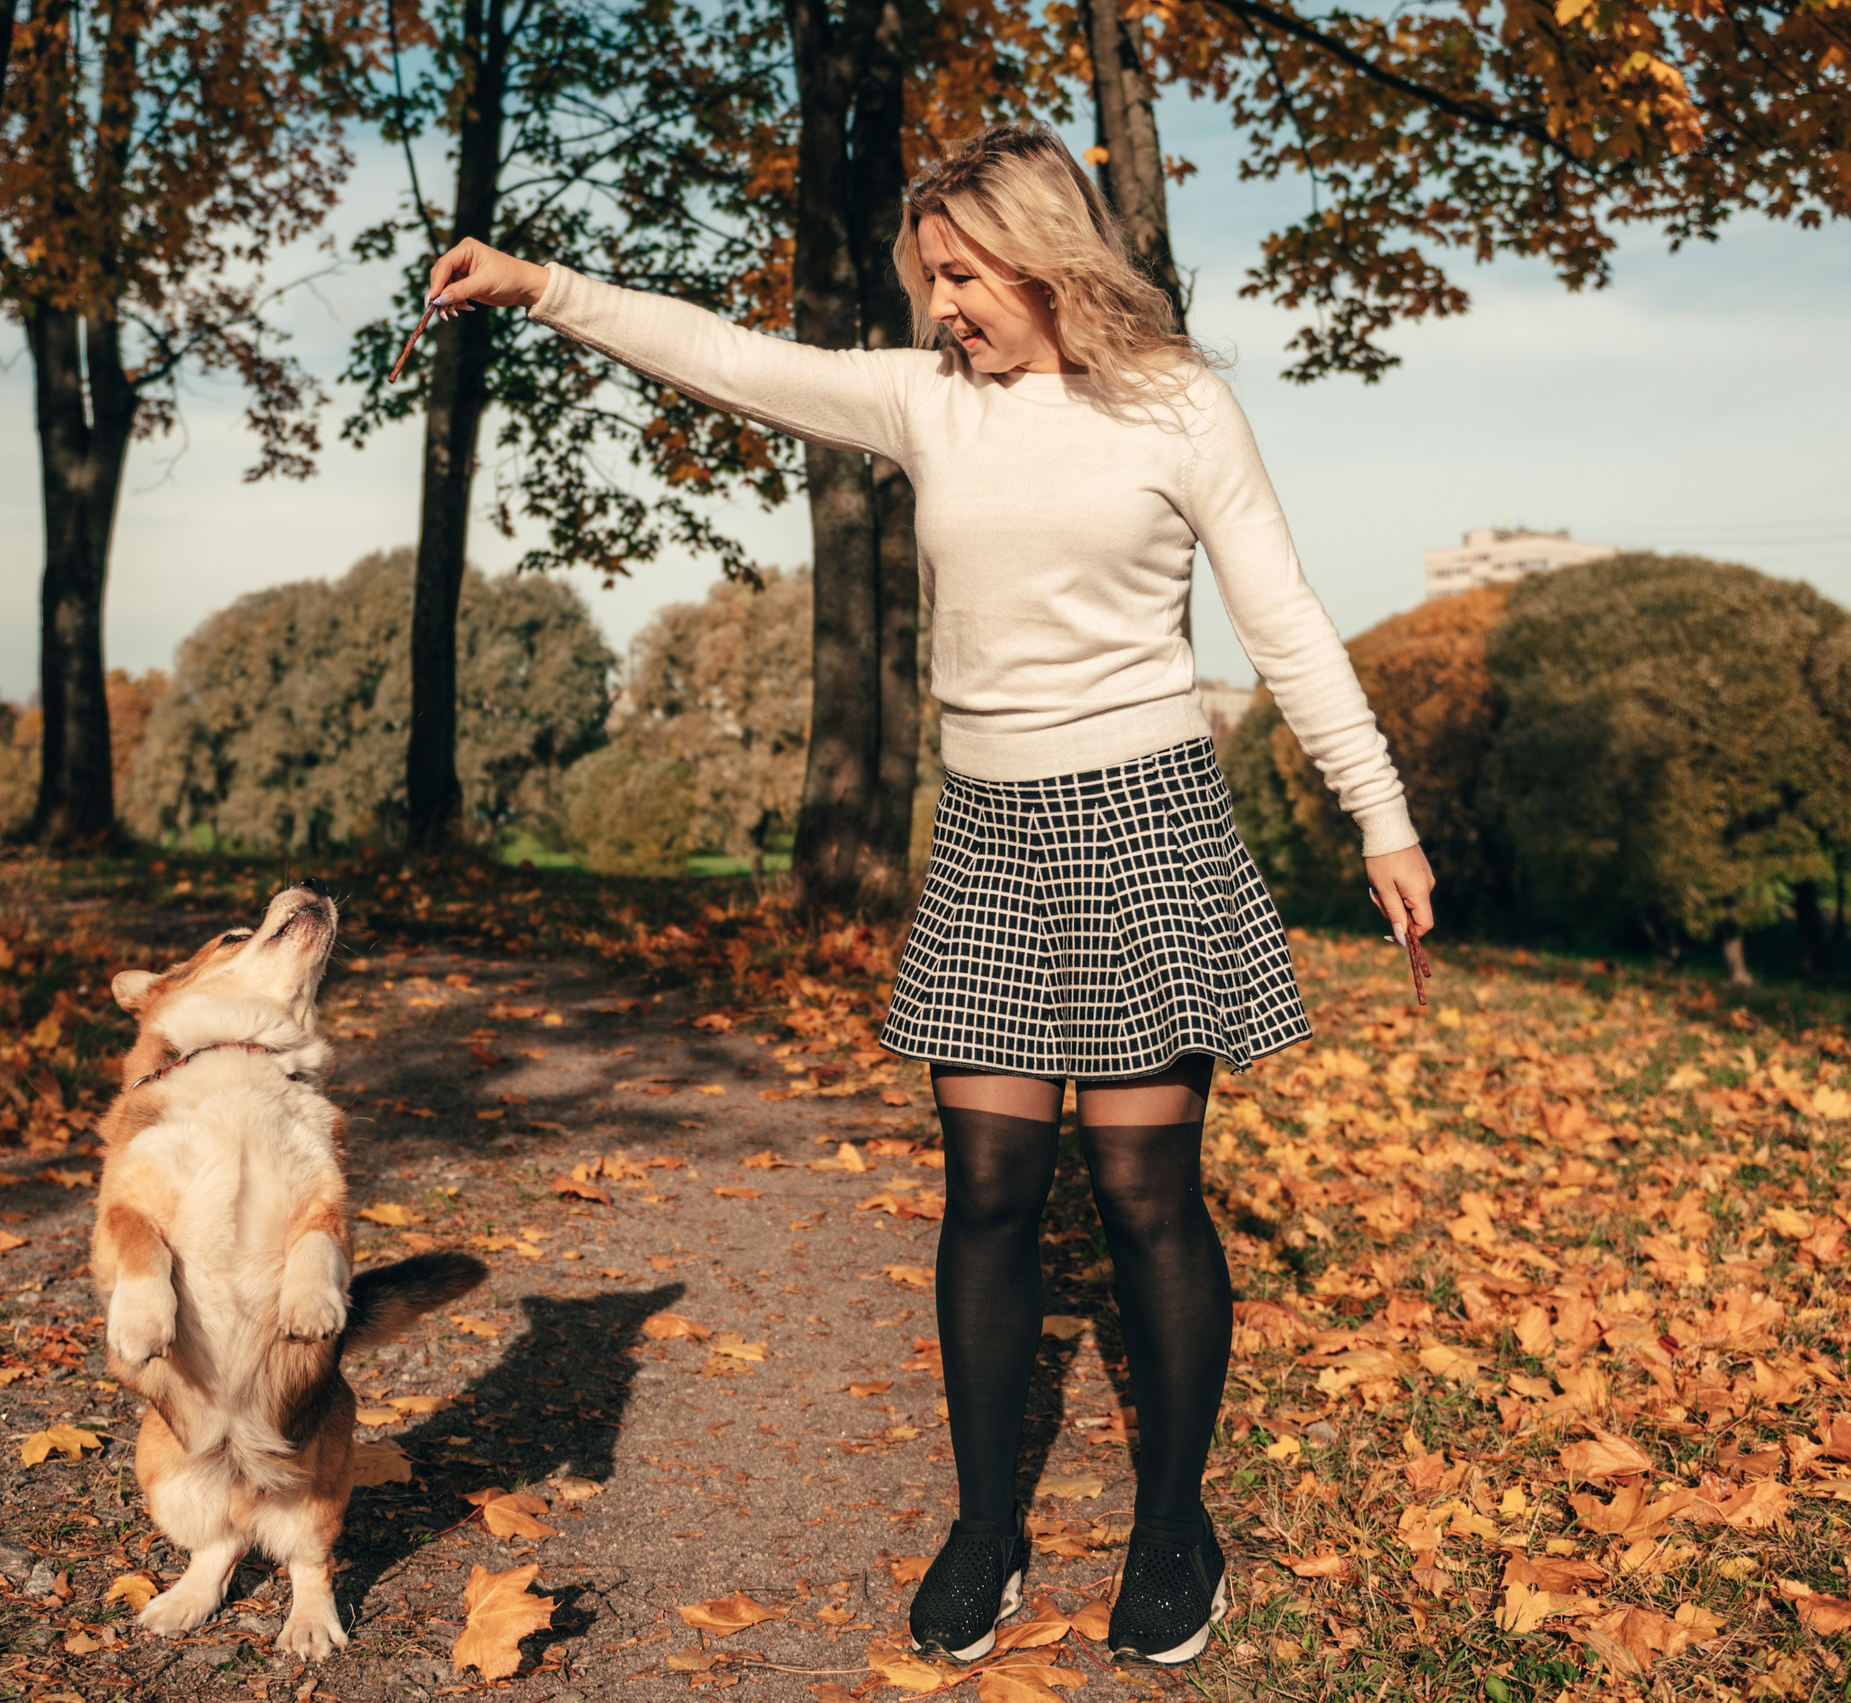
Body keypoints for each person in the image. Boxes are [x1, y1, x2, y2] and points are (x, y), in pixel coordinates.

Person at [421, 120, 1435, 1666]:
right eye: (929, 275)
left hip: (1148, 818)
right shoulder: (926, 402)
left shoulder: (1175, 403)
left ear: (1047, 260)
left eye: (963, 274)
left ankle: (1175, 1528)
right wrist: (543, 285)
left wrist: (1382, 815)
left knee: (1148, 1197)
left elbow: (1282, 616)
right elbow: (730, 358)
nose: (943, 302)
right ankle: (986, 1525)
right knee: (988, 1192)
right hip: (990, 828)